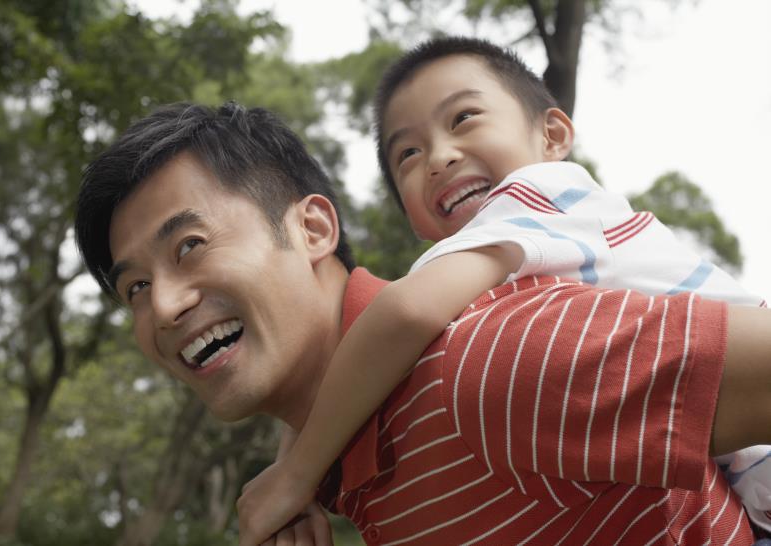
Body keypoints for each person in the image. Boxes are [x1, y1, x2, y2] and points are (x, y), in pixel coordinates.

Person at [74, 99, 769, 546]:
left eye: (189, 246)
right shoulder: (333, 479)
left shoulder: (480, 366)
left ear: (313, 229)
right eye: (136, 287)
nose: (163, 307)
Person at [235, 35, 770, 543]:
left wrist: (295, 475)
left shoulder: (534, 195)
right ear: (415, 220)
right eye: (408, 155)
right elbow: (357, 350)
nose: (439, 157)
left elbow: (405, 311)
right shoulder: (531, 245)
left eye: (463, 118)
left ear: (552, 136)